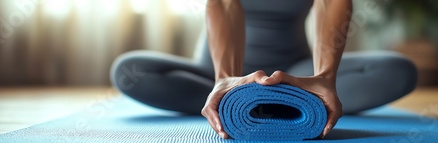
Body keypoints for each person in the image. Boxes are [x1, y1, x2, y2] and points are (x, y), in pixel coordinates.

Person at [110, 0, 417, 139]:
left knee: (399, 71)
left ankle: (267, 101)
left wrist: (325, 77)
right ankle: (230, 100)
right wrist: (224, 80)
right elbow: (224, 4)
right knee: (129, 70)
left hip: (295, 72)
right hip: (215, 70)